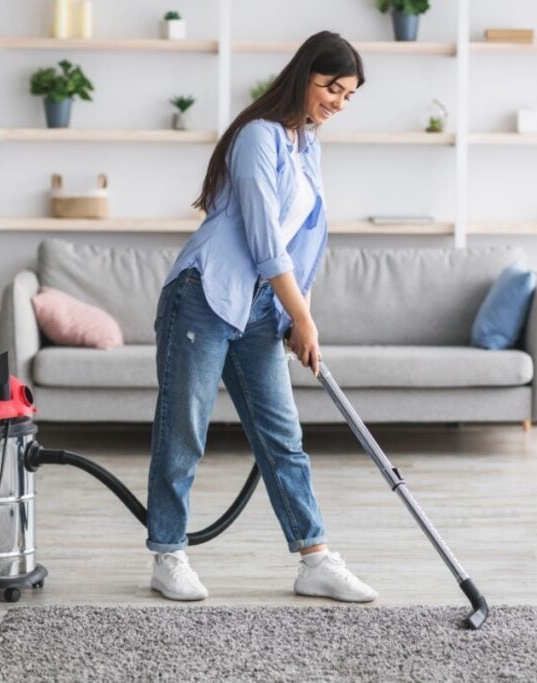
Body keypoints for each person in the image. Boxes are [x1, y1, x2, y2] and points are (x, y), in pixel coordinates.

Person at [145, 30, 375, 603]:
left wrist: (300, 314)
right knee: (184, 431)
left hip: (260, 307)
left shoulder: (306, 144)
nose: (338, 103)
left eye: (348, 95)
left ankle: (314, 557)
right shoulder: (258, 137)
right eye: (332, 87)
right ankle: (168, 555)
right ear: (304, 75)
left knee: (282, 434)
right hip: (205, 294)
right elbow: (264, 238)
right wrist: (303, 316)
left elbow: (305, 243)